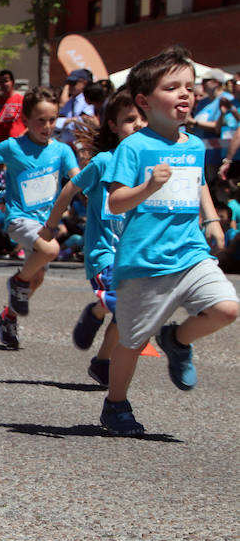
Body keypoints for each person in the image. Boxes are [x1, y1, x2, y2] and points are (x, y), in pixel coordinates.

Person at [98, 46, 239, 436]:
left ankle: (176, 339)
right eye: (173, 87)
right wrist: (148, 185)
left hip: (190, 252)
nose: (185, 94)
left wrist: (210, 219)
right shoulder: (134, 147)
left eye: (189, 87)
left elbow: (196, 183)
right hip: (144, 260)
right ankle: (115, 404)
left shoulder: (192, 145)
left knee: (227, 308)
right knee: (130, 341)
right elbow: (115, 199)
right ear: (144, 101)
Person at [41, 88, 146, 386]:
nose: (138, 124)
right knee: (122, 304)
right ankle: (97, 308)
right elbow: (70, 189)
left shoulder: (149, 166)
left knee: (127, 314)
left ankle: (102, 362)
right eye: (129, 119)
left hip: (134, 257)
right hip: (104, 255)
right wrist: (50, 226)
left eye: (143, 118)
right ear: (112, 126)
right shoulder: (104, 162)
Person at [0, 87, 80, 349]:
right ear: (26, 119)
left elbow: (77, 178)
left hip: (46, 222)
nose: (47, 126)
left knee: (39, 277)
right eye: (40, 120)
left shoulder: (62, 151)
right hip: (19, 219)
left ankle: (7, 317)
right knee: (50, 249)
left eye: (52, 120)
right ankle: (18, 281)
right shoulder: (14, 147)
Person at [55, 68, 95, 145]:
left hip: (82, 144)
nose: (70, 86)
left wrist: (66, 122)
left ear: (84, 83)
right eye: (69, 83)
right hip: (67, 143)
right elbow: (56, 121)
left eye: (73, 83)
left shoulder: (88, 101)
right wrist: (70, 120)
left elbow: (83, 124)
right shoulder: (70, 102)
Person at [0, 69, 26, 146]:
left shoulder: (21, 100)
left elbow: (30, 123)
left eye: (6, 81)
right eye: (1, 82)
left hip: (18, 143)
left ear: (12, 82)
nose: (3, 84)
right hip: (0, 145)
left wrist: (23, 135)